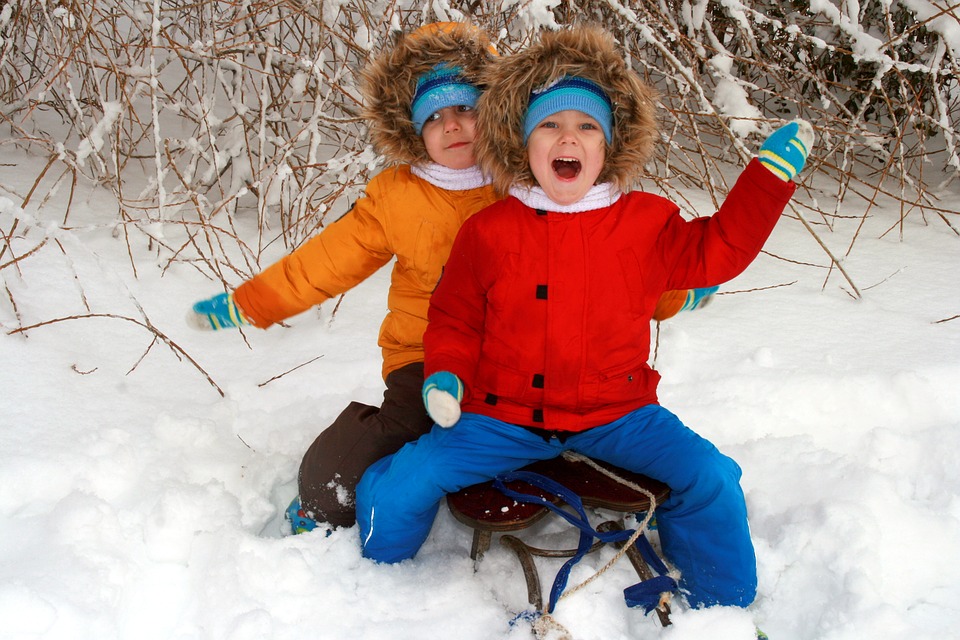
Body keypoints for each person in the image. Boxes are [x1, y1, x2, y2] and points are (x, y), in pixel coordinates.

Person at [355, 24, 813, 613]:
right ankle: (374, 582)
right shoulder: (489, 231)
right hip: (502, 415)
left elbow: (717, 251)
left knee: (712, 476)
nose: (567, 136)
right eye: (549, 123)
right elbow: (454, 316)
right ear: (524, 143)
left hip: (619, 413)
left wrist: (766, 182)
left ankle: (721, 604)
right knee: (403, 482)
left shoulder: (646, 222)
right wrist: (445, 375)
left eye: (586, 126)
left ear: (606, 149)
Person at [189, 23, 711, 534]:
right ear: (414, 131)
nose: (454, 125)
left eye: (465, 107)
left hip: (524, 357)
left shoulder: (531, 185)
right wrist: (255, 302)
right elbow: (327, 261)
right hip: (425, 352)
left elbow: (607, 268)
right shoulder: (397, 197)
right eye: (434, 116)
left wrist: (676, 292)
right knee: (414, 425)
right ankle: (329, 493)